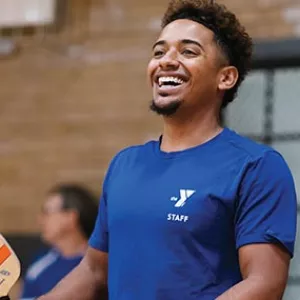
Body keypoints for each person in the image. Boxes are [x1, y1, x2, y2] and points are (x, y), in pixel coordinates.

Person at [38, 0, 297, 299]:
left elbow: (264, 284)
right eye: (159, 52)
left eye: (188, 51)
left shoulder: (257, 167)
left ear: (225, 77)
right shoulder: (125, 164)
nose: (166, 61)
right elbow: (95, 271)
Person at [20, 184, 98, 300]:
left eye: (47, 212)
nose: (40, 220)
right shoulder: (39, 265)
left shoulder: (100, 263)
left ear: (71, 217)